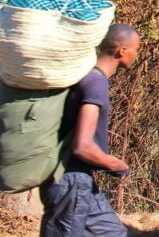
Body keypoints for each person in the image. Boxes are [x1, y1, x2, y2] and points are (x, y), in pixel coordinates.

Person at [40, 24, 140, 237]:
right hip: (69, 181)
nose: (136, 55)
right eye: (136, 50)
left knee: (113, 233)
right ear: (122, 50)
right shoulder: (96, 83)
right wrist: (114, 164)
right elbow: (82, 147)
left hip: (80, 181)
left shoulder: (87, 78)